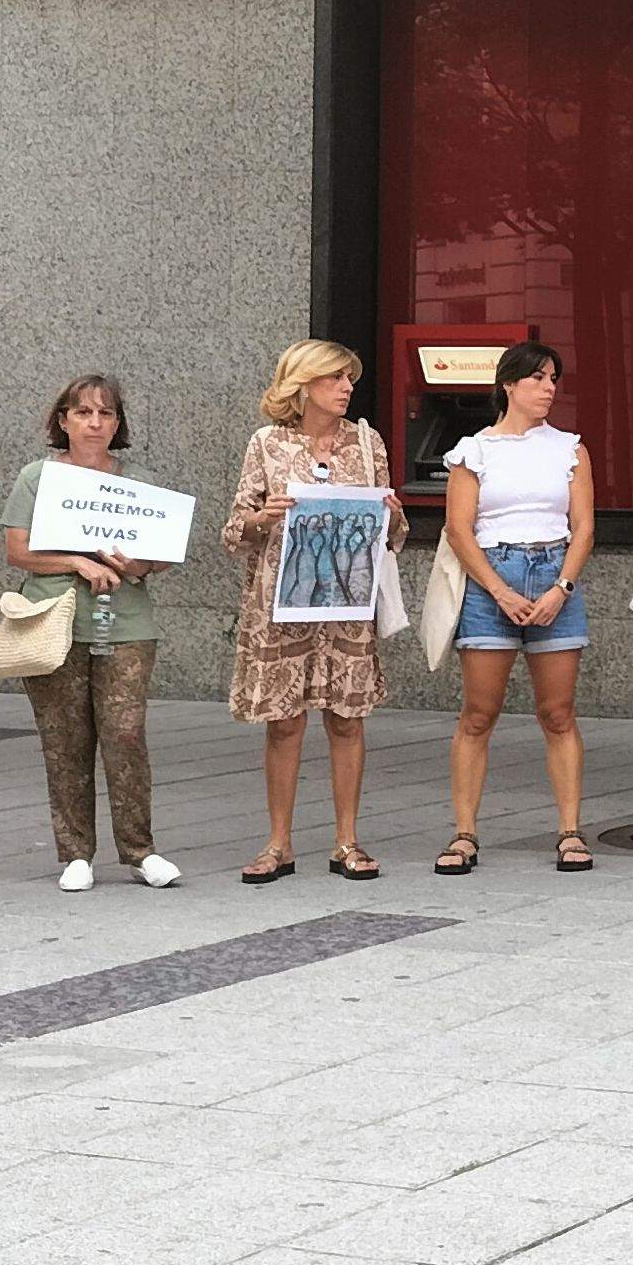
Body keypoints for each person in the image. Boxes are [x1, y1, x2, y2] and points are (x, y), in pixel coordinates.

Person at [225, 339, 400, 884]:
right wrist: (264, 517)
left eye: (350, 378)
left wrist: (392, 515)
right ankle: (278, 843)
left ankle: (347, 840)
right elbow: (235, 531)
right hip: (284, 603)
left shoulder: (367, 444)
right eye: (335, 379)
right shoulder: (267, 445)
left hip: (347, 604)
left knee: (347, 720)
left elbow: (391, 539)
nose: (347, 388)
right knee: (284, 723)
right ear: (302, 386)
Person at [0, 375, 180, 891]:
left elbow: (162, 554)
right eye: (83, 413)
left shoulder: (138, 479)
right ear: (63, 421)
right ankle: (75, 852)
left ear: (118, 423)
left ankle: (140, 850)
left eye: (105, 414)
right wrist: (77, 562)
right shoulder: (38, 477)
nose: (94, 423)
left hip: (127, 623)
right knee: (64, 738)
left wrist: (139, 564)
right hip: (54, 620)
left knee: (125, 735)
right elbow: (17, 550)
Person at [436, 342, 598, 875]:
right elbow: (459, 529)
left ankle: (570, 831)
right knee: (479, 714)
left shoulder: (570, 448)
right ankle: (464, 833)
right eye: (538, 378)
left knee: (558, 713)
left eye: (554, 378)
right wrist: (500, 590)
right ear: (509, 384)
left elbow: (584, 527)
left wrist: (562, 588)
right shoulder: (473, 450)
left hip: (555, 573)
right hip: (493, 576)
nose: (550, 388)